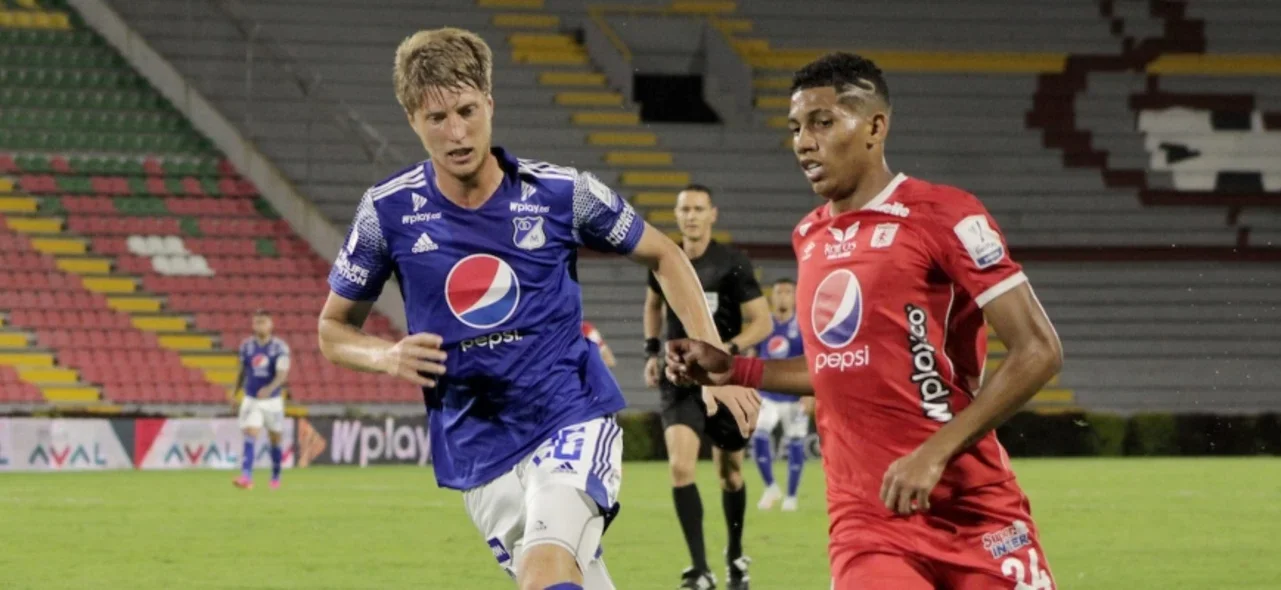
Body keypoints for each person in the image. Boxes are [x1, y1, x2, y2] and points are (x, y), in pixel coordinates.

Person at [316, 28, 760, 590]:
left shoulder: (559, 193)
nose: (456, 132)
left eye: (466, 110)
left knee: (543, 571)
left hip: (570, 416)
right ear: (411, 121)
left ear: (490, 104)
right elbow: (333, 330)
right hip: (478, 449)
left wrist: (714, 366)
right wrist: (385, 356)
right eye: (436, 119)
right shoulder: (386, 213)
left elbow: (665, 254)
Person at [662, 52, 1064, 590]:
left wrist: (933, 454)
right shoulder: (809, 237)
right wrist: (733, 369)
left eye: (822, 122)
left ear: (875, 127)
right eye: (796, 127)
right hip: (868, 519)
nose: (803, 141)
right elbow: (838, 367)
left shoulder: (946, 214)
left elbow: (1038, 350)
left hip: (971, 507)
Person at [642, 184, 773, 590]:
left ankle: (735, 555)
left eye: (699, 209)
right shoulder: (665, 258)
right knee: (681, 466)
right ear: (677, 215)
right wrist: (652, 351)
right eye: (685, 210)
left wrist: (726, 351)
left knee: (730, 474)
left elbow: (762, 322)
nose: (692, 216)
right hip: (680, 378)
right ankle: (699, 569)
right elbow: (653, 304)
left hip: (724, 380)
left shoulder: (731, 263)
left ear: (712, 214)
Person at [749, 278, 812, 512]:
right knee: (759, 436)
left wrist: (810, 393)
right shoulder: (764, 325)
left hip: (795, 396)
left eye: (787, 292)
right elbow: (753, 356)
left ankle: (791, 497)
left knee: (796, 443)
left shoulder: (804, 325)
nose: (783, 296)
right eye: (779, 292)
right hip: (767, 395)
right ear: (772, 297)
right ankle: (771, 487)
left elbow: (813, 361)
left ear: (795, 297)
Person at [231, 309, 290, 490]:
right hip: (252, 399)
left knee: (275, 439)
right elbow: (242, 371)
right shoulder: (246, 346)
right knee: (250, 433)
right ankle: (246, 477)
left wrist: (269, 389)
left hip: (272, 401)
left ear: (270, 324)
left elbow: (282, 375)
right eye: (256, 322)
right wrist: (236, 393)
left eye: (262, 322)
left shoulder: (280, 348)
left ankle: (275, 475)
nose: (259, 325)